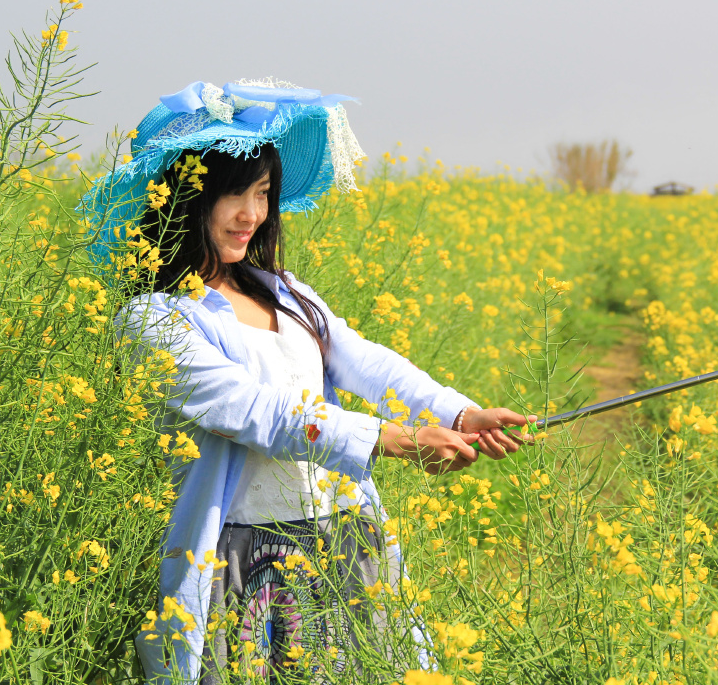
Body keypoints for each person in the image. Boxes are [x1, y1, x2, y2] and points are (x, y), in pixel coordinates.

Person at [78, 79, 532, 684]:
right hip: (239, 554)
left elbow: (367, 362)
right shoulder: (153, 319)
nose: (252, 215)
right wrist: (389, 438)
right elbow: (254, 411)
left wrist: (456, 414)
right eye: (232, 195)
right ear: (187, 201)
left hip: (341, 536)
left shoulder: (286, 294)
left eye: (262, 194)